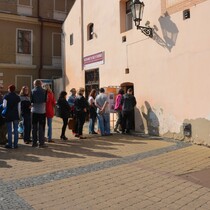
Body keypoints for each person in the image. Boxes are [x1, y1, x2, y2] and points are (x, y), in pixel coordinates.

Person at [31, 79, 47, 148]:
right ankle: (41, 143)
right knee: (41, 128)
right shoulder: (44, 91)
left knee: (34, 128)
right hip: (42, 111)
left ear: (35, 84)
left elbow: (31, 101)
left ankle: (34, 143)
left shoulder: (32, 91)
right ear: (40, 84)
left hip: (34, 111)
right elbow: (46, 101)